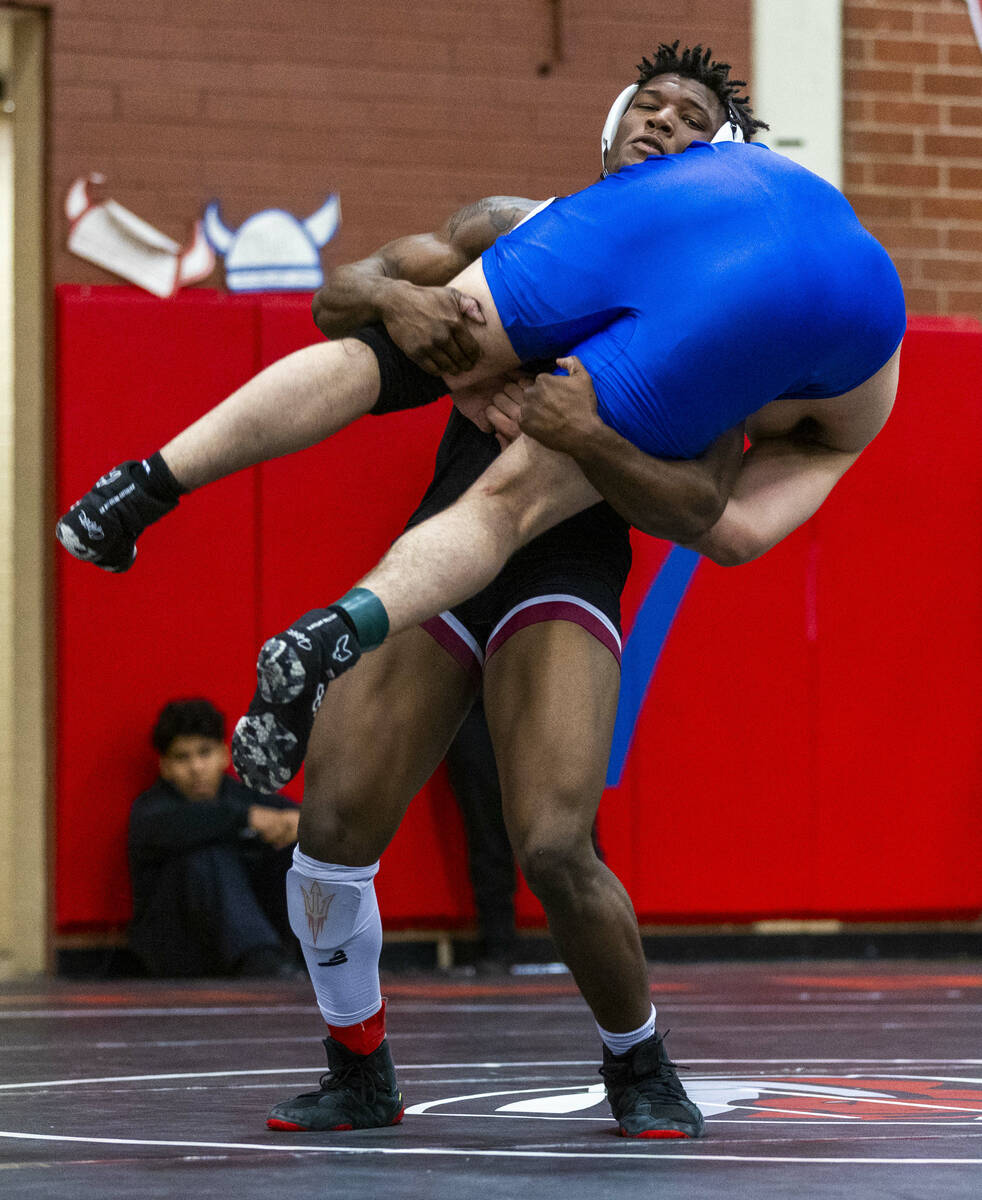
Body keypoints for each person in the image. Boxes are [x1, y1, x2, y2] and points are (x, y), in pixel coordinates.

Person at [55, 42, 905, 1139]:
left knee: (554, 840)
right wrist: (396, 306)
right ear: (609, 128)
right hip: (434, 569)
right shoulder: (519, 224)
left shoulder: (722, 303)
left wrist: (589, 433)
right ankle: (359, 1068)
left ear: (718, 171)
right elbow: (340, 302)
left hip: (567, 563)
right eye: (648, 108)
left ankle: (637, 1061)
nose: (663, 126)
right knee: (329, 833)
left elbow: (697, 507)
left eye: (693, 124)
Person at [128, 698, 301, 978]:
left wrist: (294, 825)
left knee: (296, 853)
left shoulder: (242, 796)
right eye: (182, 757)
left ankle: (321, 960)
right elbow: (186, 823)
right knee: (207, 856)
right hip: (180, 953)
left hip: (264, 942)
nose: (196, 767)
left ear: (224, 755)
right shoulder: (150, 811)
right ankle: (262, 962)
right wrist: (246, 820)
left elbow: (303, 821)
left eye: (204, 753)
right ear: (165, 767)